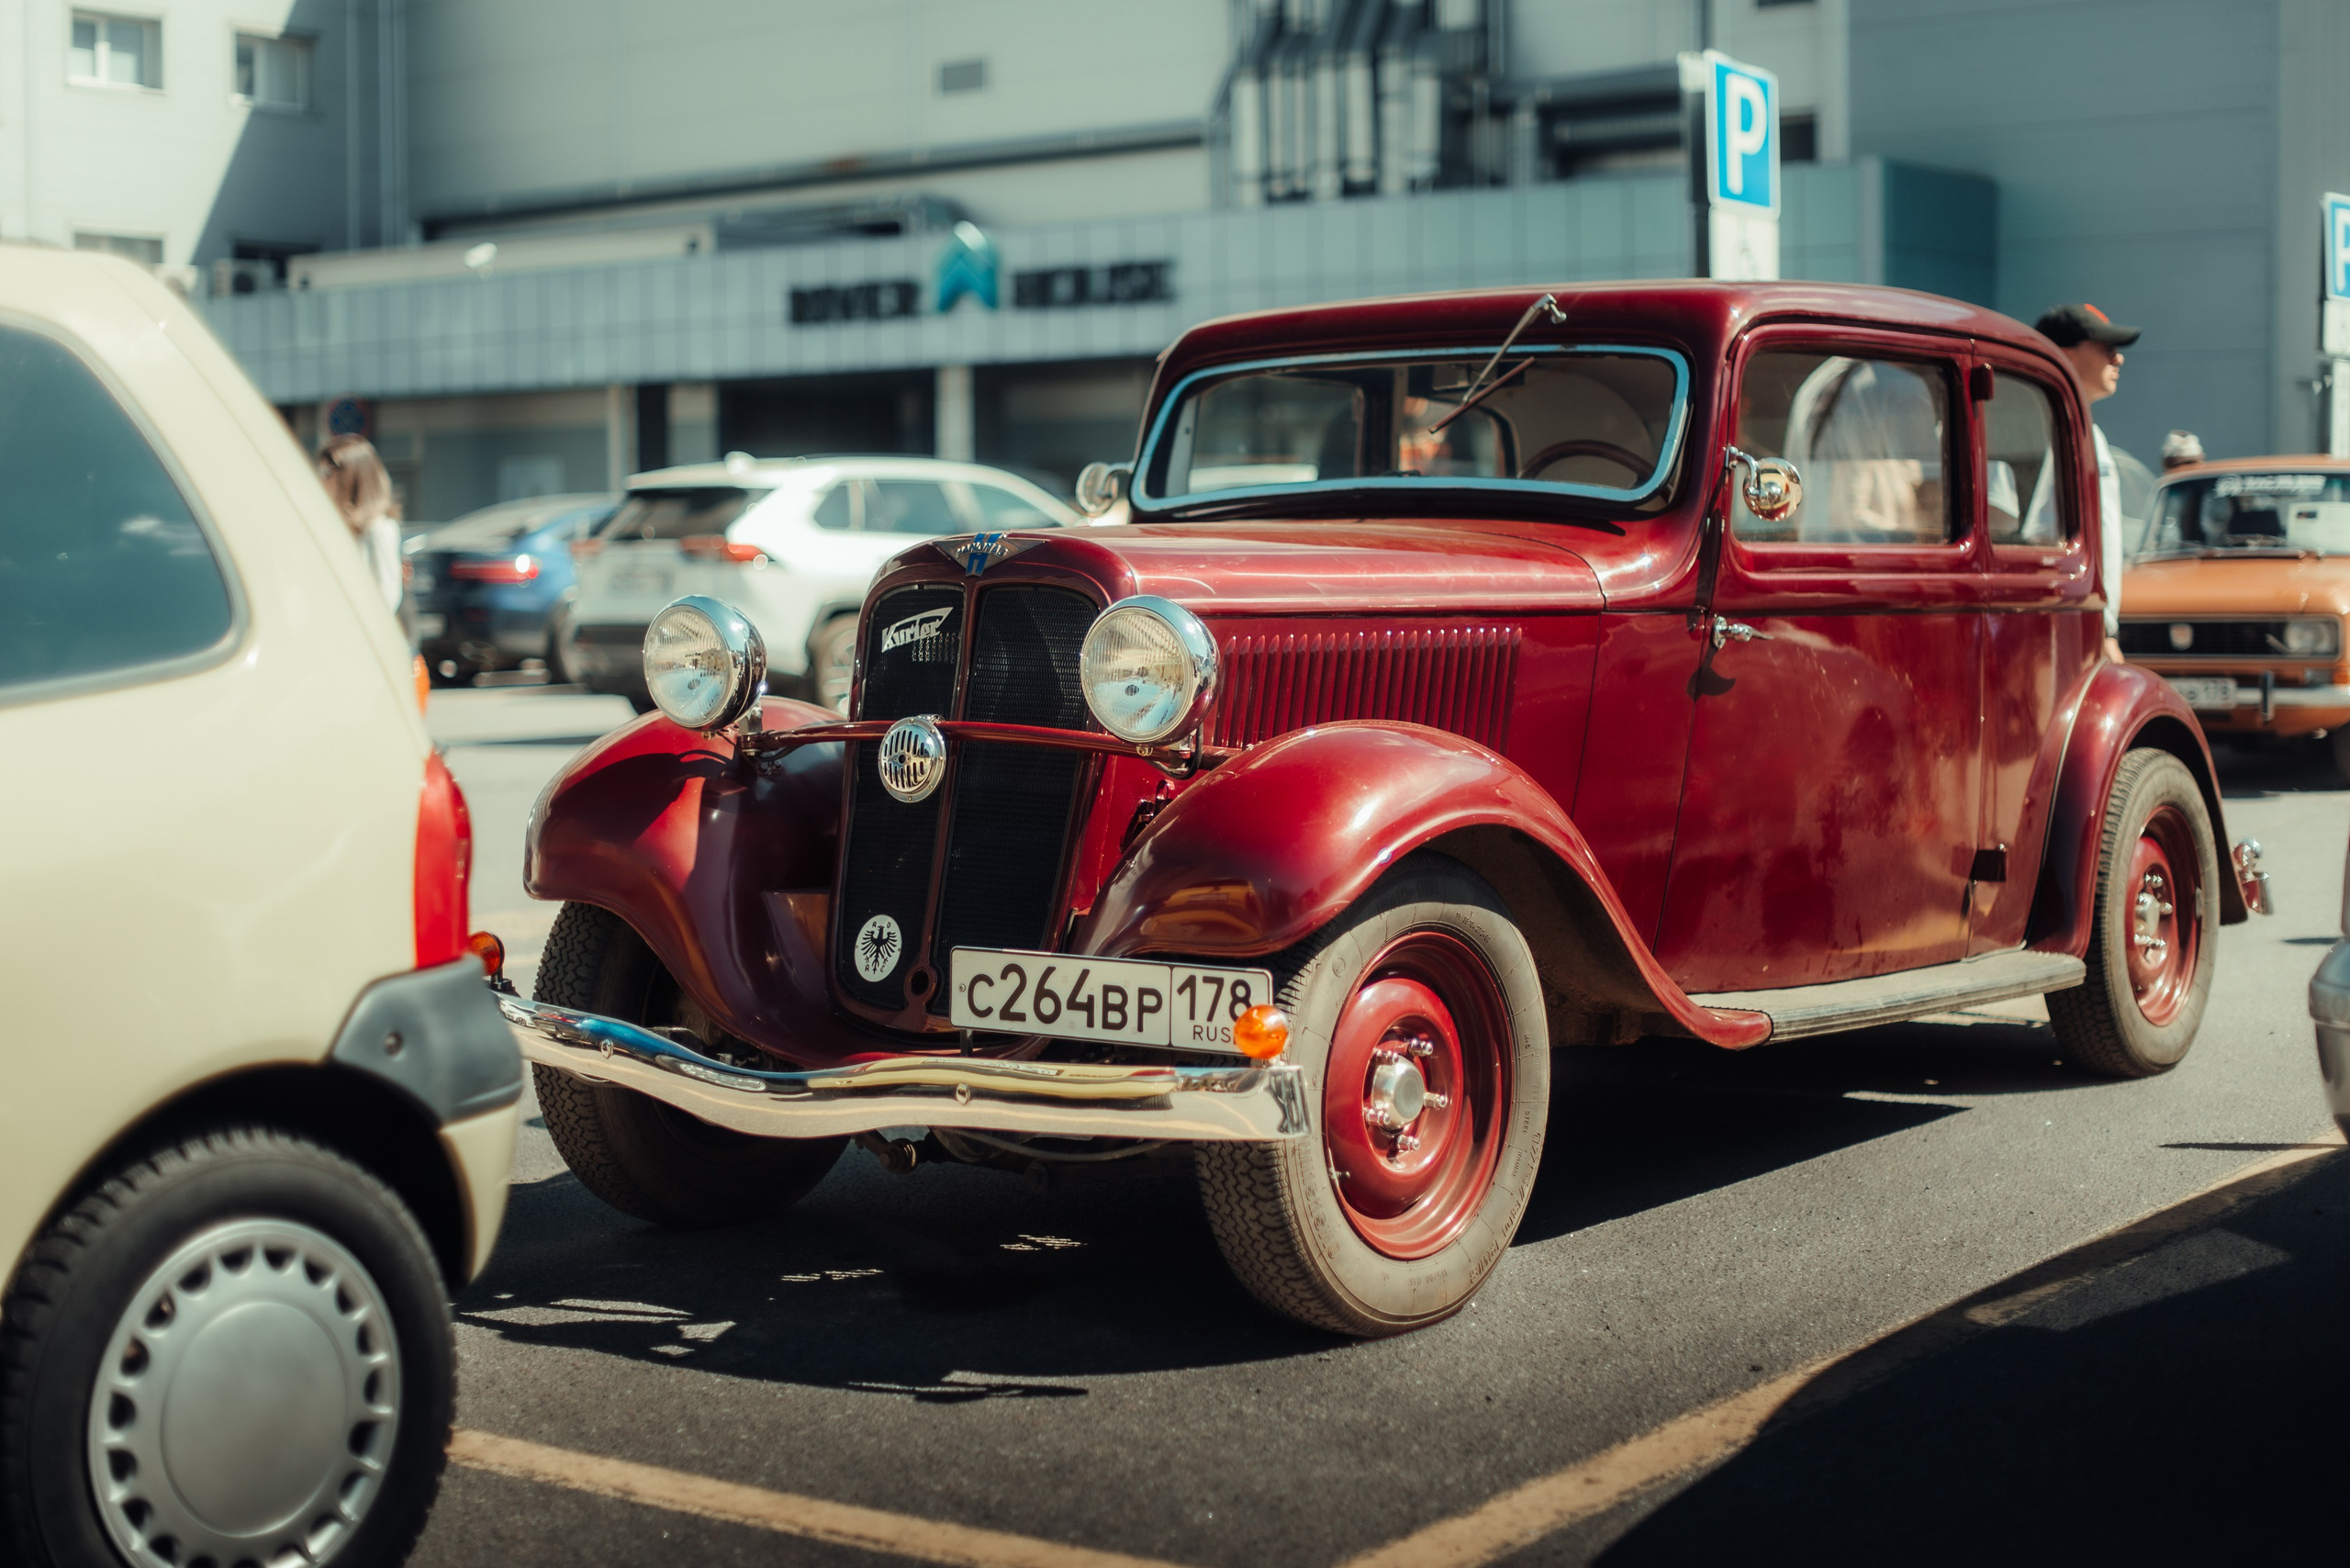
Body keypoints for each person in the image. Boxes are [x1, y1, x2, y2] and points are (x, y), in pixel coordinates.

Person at [2032, 302, 2136, 661]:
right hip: (2061, 628)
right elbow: (2030, 535)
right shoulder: (2039, 428)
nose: (2117, 359)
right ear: (2066, 356)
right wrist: (2102, 629)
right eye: (2106, 348)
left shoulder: (2086, 432)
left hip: (2085, 625)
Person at [316, 433, 404, 612]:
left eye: (327, 472)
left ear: (352, 477)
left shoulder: (379, 529)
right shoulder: (336, 527)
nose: (321, 480)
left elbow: (387, 598)